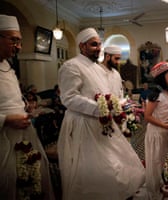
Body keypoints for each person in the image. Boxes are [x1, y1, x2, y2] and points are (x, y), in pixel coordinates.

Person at [57, 28, 145, 200]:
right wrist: (99, 109)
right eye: (94, 44)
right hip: (83, 124)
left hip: (103, 123)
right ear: (82, 46)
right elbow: (69, 98)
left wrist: (112, 106)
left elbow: (105, 94)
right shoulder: (71, 66)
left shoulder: (97, 68)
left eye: (99, 45)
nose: (98, 48)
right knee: (93, 168)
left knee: (115, 163)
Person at [0, 14, 54, 200]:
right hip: (3, 137)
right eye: (14, 40)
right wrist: (6, 119)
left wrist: (24, 106)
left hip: (22, 134)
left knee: (31, 175)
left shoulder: (8, 66)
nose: (19, 47)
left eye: (20, 41)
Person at [144, 61, 168, 200]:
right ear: (161, 77)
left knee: (159, 163)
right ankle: (153, 194)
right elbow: (147, 116)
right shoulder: (155, 95)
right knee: (154, 164)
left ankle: (158, 190)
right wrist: (166, 126)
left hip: (164, 132)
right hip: (156, 133)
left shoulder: (167, 92)